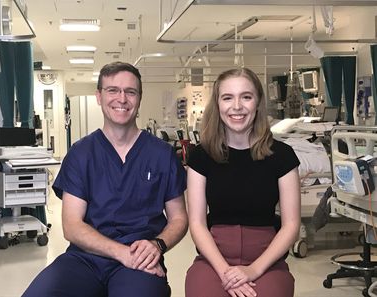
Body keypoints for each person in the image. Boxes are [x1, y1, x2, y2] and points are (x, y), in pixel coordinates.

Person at [22, 62, 188, 297]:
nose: (122, 99)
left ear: (139, 98)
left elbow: (179, 218)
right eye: (113, 90)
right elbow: (71, 226)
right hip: (85, 259)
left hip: (140, 259)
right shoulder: (81, 154)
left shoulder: (161, 154)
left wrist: (157, 245)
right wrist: (121, 253)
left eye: (130, 92)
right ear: (99, 96)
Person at [185, 68, 301, 297]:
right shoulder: (201, 156)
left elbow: (291, 226)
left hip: (266, 257)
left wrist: (253, 270)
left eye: (246, 97)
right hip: (214, 257)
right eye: (227, 97)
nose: (236, 106)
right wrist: (226, 271)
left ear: (257, 102)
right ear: (217, 104)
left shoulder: (283, 156)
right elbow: (197, 224)